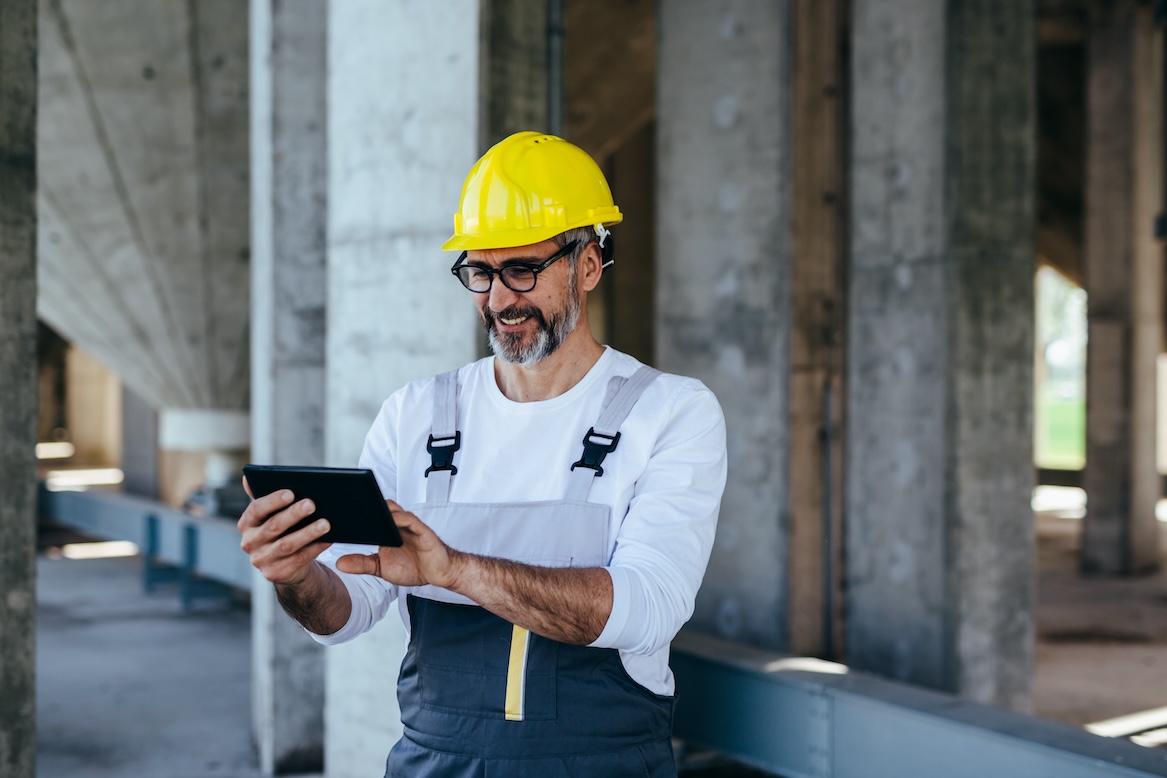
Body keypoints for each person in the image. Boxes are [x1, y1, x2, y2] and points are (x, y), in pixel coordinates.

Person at [238, 131, 727, 777]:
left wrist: (454, 570)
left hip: (600, 764)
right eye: (479, 271)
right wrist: (295, 575)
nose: (498, 300)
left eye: (522, 269)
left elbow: (647, 608)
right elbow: (343, 616)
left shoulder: (668, 411)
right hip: (434, 761)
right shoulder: (416, 414)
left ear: (587, 264)